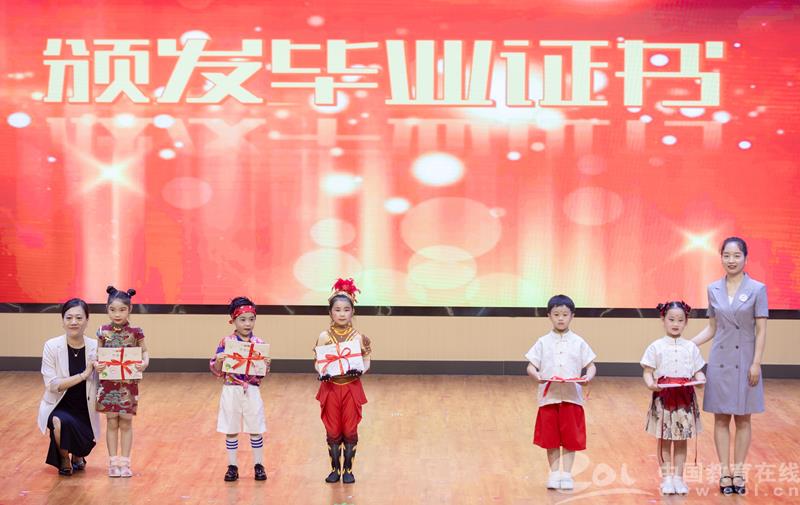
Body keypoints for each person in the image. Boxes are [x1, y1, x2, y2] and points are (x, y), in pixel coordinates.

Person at [692, 237, 767, 495]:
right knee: (721, 418)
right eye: (726, 255)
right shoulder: (713, 288)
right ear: (721, 257)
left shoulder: (757, 289)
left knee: (743, 418)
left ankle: (739, 472)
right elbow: (712, 328)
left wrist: (756, 362)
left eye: (736, 255)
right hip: (720, 361)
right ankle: (725, 472)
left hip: (746, 361)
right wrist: (687, 344)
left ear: (746, 258)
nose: (731, 260)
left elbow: (761, 330)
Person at [525, 294, 596, 490]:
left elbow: (591, 365)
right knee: (551, 438)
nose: (561, 318)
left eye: (565, 314)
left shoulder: (579, 342)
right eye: (556, 314)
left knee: (571, 438)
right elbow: (530, 366)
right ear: (549, 316)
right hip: (549, 398)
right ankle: (554, 473)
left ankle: (567, 475)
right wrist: (536, 375)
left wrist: (588, 377)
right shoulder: (542, 342)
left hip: (572, 398)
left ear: (572, 316)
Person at [641, 301, 706, 495]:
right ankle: (666, 478)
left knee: (681, 439)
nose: (675, 324)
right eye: (671, 319)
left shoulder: (691, 347)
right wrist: (650, 383)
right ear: (663, 319)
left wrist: (701, 379)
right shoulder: (656, 346)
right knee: (664, 439)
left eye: (680, 320)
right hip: (664, 397)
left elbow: (698, 371)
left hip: (684, 399)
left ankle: (678, 477)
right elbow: (647, 371)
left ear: (686, 322)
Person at [314, 278, 371, 484]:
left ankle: (348, 470)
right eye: (337, 310)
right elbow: (318, 362)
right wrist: (322, 371)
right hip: (330, 388)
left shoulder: (358, 337)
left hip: (350, 387)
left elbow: (366, 360)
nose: (342, 314)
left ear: (352, 312)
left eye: (346, 310)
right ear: (330, 312)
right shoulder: (324, 336)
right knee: (332, 429)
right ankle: (334, 469)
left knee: (350, 429)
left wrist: (360, 370)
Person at [210, 296, 271, 482]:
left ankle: (259, 465)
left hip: (252, 389)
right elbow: (217, 370)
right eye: (242, 319)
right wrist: (219, 361)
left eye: (251, 319)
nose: (247, 324)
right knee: (231, 427)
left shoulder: (259, 343)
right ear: (233, 320)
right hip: (231, 389)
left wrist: (265, 364)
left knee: (255, 426)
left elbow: (261, 374)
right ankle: (232, 466)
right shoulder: (226, 342)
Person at [38, 298, 101, 475]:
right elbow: (52, 385)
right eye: (69, 317)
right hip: (59, 405)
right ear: (63, 320)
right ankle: (64, 458)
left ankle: (78, 455)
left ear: (87, 320)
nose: (74, 322)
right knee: (59, 422)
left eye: (79, 318)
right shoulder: (51, 346)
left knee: (83, 442)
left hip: (85, 408)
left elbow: (105, 381)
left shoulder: (96, 346)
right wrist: (83, 375)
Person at [95, 286, 149, 477]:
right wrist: (96, 364)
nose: (117, 314)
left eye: (122, 310)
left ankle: (125, 462)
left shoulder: (136, 332)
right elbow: (97, 354)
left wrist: (144, 363)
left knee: (126, 422)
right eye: (112, 310)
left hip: (128, 384)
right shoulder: (102, 331)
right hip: (108, 384)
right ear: (107, 309)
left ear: (130, 309)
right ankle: (112, 462)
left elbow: (144, 352)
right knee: (111, 422)